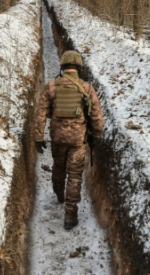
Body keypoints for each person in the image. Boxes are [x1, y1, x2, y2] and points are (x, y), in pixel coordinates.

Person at [34, 50, 104, 229]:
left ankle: (59, 193)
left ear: (63, 66)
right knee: (74, 176)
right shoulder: (86, 88)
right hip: (77, 141)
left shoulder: (51, 86)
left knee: (58, 167)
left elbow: (40, 113)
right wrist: (96, 136)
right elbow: (96, 117)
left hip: (57, 139)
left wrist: (38, 137)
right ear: (78, 67)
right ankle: (70, 215)